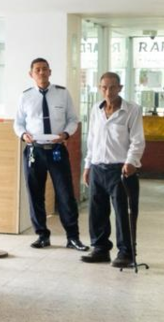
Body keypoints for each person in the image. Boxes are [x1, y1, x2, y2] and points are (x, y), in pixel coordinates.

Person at [13, 58, 87, 251]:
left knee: (65, 194)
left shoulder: (62, 93)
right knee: (35, 194)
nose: (42, 72)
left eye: (45, 69)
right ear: (31, 74)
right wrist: (23, 135)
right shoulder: (25, 96)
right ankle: (42, 235)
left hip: (56, 151)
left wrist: (66, 134)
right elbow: (18, 123)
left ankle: (73, 237)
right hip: (34, 151)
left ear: (50, 72)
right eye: (37, 70)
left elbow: (73, 119)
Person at [81, 72, 146, 267]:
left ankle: (126, 253)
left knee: (123, 213)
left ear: (120, 88)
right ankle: (100, 249)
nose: (108, 92)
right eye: (104, 87)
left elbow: (137, 140)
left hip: (121, 170)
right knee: (97, 212)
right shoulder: (96, 109)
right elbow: (92, 140)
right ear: (100, 88)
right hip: (98, 168)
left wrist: (131, 161)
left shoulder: (132, 110)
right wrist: (87, 165)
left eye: (112, 87)